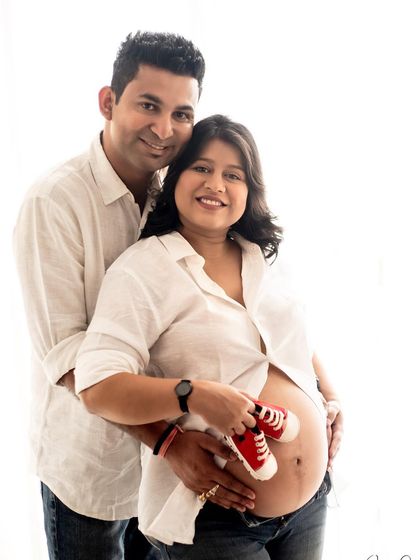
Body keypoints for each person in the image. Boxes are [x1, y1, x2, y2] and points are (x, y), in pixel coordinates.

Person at [13, 32, 257, 560]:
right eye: (149, 105)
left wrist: (320, 394)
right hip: (92, 467)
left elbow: (244, 290)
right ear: (108, 102)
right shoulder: (54, 203)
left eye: (181, 114)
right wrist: (168, 442)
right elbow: (69, 358)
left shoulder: (183, 184)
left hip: (170, 467)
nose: (164, 130)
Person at [74, 114, 344, 559]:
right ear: (174, 177)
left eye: (233, 175)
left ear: (249, 190)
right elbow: (96, 386)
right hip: (217, 519)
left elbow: (294, 340)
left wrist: (330, 397)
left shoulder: (260, 256)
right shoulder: (144, 269)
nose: (215, 184)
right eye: (201, 167)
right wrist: (192, 395)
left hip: (310, 505)